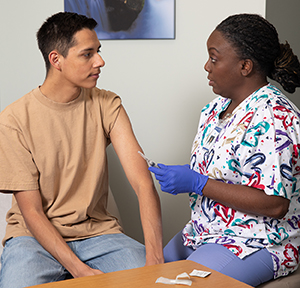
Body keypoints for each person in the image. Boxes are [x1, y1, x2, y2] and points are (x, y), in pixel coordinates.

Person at [0, 12, 163, 288]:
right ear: (56, 60)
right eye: (87, 54)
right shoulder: (14, 119)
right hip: (33, 239)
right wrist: (78, 269)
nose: (100, 61)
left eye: (98, 51)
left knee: (156, 284)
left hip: (99, 235)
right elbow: (33, 213)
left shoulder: (108, 104)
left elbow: (142, 182)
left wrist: (155, 259)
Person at [149, 13, 300, 287]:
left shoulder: (275, 116)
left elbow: (276, 204)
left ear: (245, 66)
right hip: (203, 231)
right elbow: (221, 173)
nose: (206, 66)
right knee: (142, 276)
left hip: (257, 240)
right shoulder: (214, 110)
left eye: (214, 58)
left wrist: (198, 182)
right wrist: (191, 176)